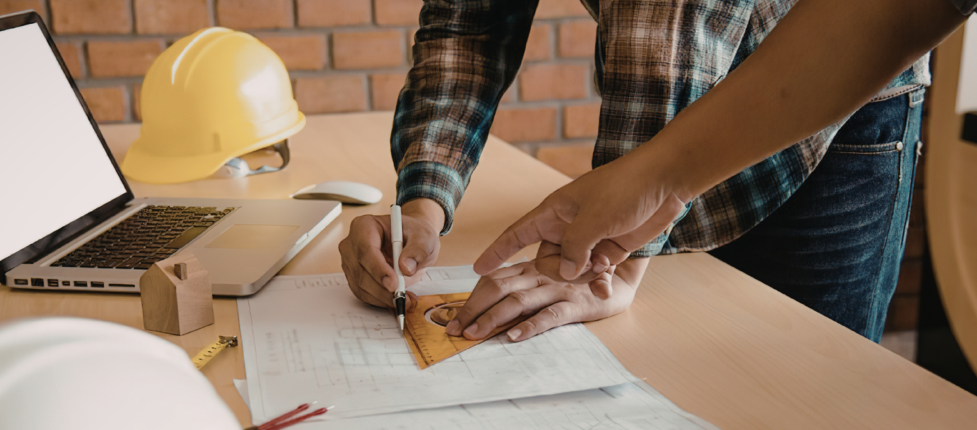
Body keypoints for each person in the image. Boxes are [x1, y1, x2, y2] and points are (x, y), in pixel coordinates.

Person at [466, 0, 975, 430]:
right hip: (749, 92)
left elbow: (671, 15)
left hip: (844, 113)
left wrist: (640, 216)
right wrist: (426, 193)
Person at [341, 0, 938, 345]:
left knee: (811, 399)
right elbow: (469, 22)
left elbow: (672, 14)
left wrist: (621, 248)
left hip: (831, 113)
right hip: (669, 107)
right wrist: (424, 202)